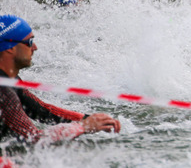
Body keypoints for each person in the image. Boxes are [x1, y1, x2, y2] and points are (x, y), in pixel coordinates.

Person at [0, 15, 121, 143]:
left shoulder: (9, 79)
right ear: (10, 48)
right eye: (29, 42)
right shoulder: (3, 91)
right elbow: (35, 139)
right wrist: (82, 127)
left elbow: (42, 110)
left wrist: (88, 119)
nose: (35, 47)